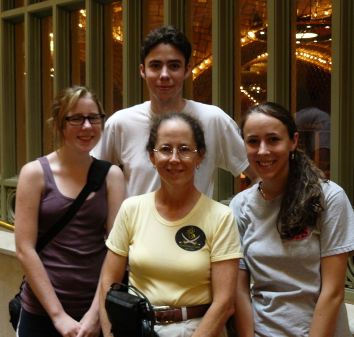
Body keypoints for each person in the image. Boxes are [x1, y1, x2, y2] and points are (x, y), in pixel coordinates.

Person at [99, 112, 243, 337]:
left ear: (200, 156)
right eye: (165, 149)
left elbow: (224, 304)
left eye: (185, 149)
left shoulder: (221, 217)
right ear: (152, 156)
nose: (174, 158)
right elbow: (108, 284)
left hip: (199, 329)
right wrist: (111, 335)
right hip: (139, 329)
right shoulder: (131, 210)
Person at [230, 102, 354, 337]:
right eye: (253, 141)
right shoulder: (240, 205)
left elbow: (333, 292)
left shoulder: (328, 197)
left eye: (273, 139)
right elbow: (239, 290)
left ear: (293, 141)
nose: (262, 151)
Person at [92, 25, 258, 198]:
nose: (164, 75)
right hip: (137, 225)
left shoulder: (213, 119)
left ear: (187, 70)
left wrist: (237, 215)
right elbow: (91, 179)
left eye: (174, 66)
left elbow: (257, 173)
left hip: (197, 225)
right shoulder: (121, 123)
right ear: (143, 71)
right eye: (155, 65)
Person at [15, 86, 126, 337]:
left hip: (94, 308)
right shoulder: (34, 174)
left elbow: (117, 249)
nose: (87, 126)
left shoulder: (112, 176)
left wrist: (95, 313)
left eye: (93, 117)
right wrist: (58, 316)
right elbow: (24, 249)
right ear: (58, 125)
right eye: (76, 118)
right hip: (41, 311)